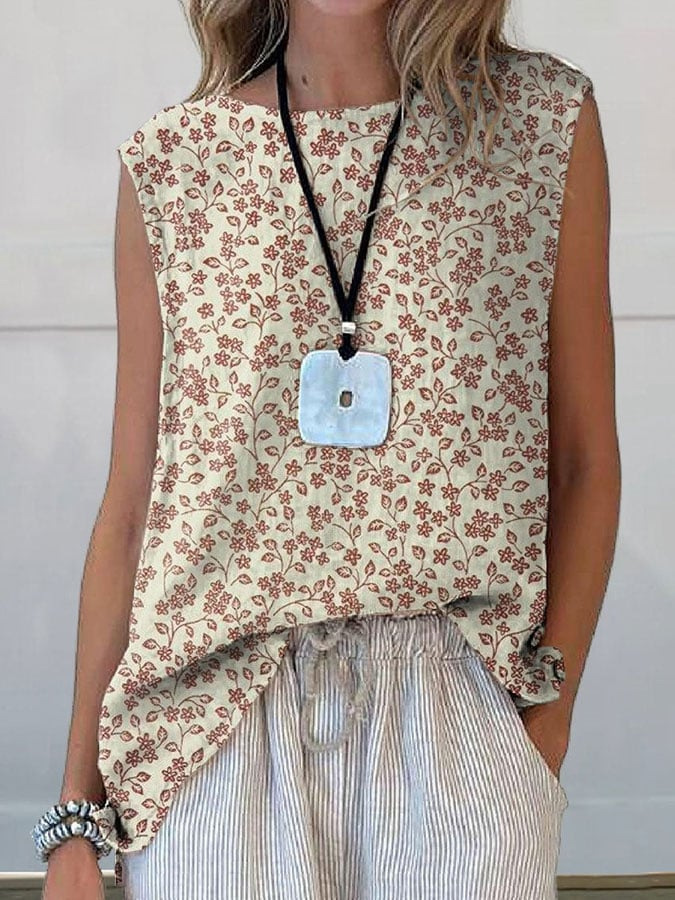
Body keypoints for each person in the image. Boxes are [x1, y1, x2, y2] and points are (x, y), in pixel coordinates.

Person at [37, 0, 618, 897]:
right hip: (215, 724)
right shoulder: (174, 163)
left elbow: (583, 459)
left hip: (456, 706)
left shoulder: (539, 123)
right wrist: (77, 811)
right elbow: (135, 503)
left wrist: (543, 726)